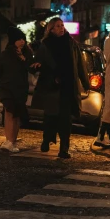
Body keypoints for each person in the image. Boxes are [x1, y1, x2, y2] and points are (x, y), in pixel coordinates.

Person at [32, 17, 89, 159]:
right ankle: (47, 139)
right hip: (52, 87)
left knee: (66, 120)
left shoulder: (71, 43)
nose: (61, 28)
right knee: (50, 117)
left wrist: (85, 82)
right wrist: (38, 66)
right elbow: (38, 63)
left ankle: (64, 148)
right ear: (51, 29)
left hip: (68, 87)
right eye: (57, 26)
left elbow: (80, 64)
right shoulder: (45, 45)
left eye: (62, 25)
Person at [0, 28, 34, 153]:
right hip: (7, 87)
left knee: (16, 114)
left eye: (23, 39)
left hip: (20, 88)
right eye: (19, 39)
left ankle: (12, 141)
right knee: (9, 111)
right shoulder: (6, 54)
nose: (22, 42)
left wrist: (24, 59)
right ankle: (9, 141)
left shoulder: (27, 54)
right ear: (13, 41)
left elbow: (32, 69)